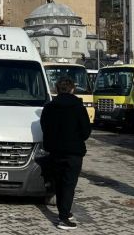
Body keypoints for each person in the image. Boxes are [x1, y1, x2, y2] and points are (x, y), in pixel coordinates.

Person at [40, 77, 91, 230]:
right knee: (69, 185)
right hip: (73, 152)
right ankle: (63, 218)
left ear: (56, 90)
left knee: (59, 183)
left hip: (54, 151)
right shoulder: (78, 107)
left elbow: (44, 127)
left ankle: (65, 213)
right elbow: (86, 132)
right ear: (72, 89)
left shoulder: (48, 107)